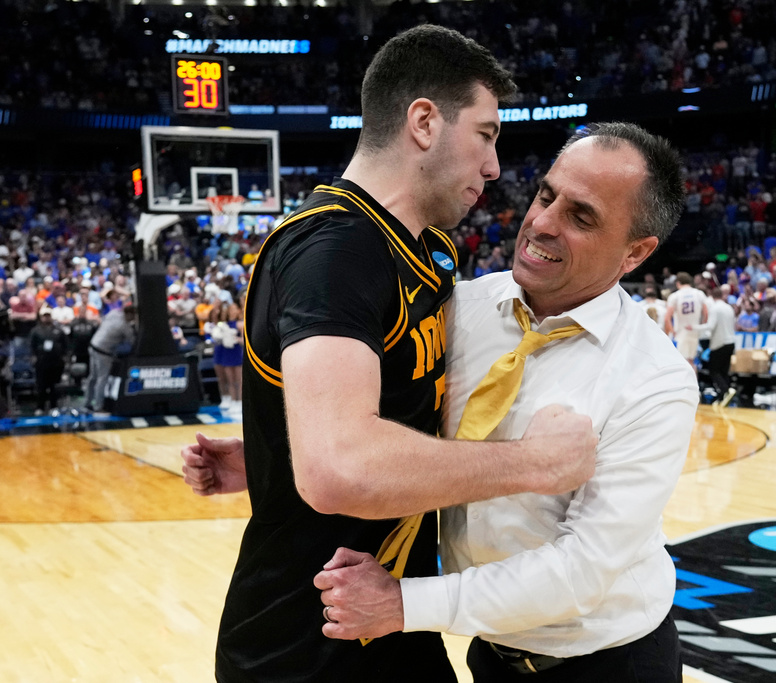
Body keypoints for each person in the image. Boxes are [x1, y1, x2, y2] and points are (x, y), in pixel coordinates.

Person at [180, 25, 596, 683]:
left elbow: (370, 415)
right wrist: (534, 463)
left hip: (389, 616)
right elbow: (341, 467)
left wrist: (276, 450)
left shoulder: (426, 250)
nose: (494, 166)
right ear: (424, 122)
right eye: (486, 134)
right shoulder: (335, 251)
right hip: (304, 648)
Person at [315, 123, 695, 682]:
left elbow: (581, 571)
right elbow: (397, 421)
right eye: (546, 195)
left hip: (608, 664)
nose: (540, 222)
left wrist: (403, 605)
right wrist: (273, 455)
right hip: (491, 656)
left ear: (635, 252)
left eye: (581, 216)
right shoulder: (462, 307)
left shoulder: (656, 381)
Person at [84, 304, 136, 413]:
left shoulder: (114, 313)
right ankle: (98, 406)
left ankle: (87, 403)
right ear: (130, 314)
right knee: (102, 379)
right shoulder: (124, 326)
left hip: (93, 345)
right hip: (104, 352)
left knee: (92, 377)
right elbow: (133, 342)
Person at [698, 287, 737, 406]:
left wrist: (694, 328)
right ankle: (722, 397)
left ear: (711, 296)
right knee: (723, 371)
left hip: (719, 343)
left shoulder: (715, 309)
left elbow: (710, 326)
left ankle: (727, 390)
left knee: (713, 370)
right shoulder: (729, 307)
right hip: (731, 342)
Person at [29, 307, 68, 414]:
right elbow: (32, 346)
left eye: (48, 316)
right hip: (41, 362)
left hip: (56, 362)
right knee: (41, 385)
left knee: (54, 386)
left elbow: (65, 344)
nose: (46, 318)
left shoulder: (58, 330)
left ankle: (53, 406)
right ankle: (40, 407)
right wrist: (33, 357)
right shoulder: (35, 331)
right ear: (41, 317)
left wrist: (64, 357)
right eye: (44, 316)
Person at [665, 271, 708, 368]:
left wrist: (672, 331)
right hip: (694, 331)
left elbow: (667, 318)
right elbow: (706, 313)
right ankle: (695, 382)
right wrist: (701, 326)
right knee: (692, 362)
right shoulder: (699, 294)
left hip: (680, 333)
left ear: (678, 283)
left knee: (681, 363)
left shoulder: (675, 296)